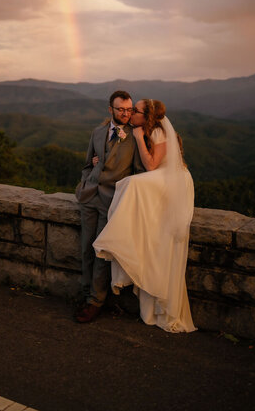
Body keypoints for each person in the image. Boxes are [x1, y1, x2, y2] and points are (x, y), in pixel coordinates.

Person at [93, 99, 196, 333]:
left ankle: (115, 239)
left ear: (146, 116)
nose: (131, 115)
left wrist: (139, 137)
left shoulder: (158, 131)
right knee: (129, 186)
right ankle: (121, 240)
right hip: (162, 180)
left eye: (136, 111)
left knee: (130, 185)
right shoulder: (146, 128)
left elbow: (150, 166)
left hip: (173, 181)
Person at [75, 90, 145, 323]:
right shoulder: (97, 133)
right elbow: (88, 163)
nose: (126, 114)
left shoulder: (136, 138)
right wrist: (85, 182)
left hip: (111, 201)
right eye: (121, 109)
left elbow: (139, 173)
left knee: (100, 253)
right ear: (110, 110)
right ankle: (85, 295)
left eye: (129, 109)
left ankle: (95, 301)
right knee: (85, 248)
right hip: (89, 197)